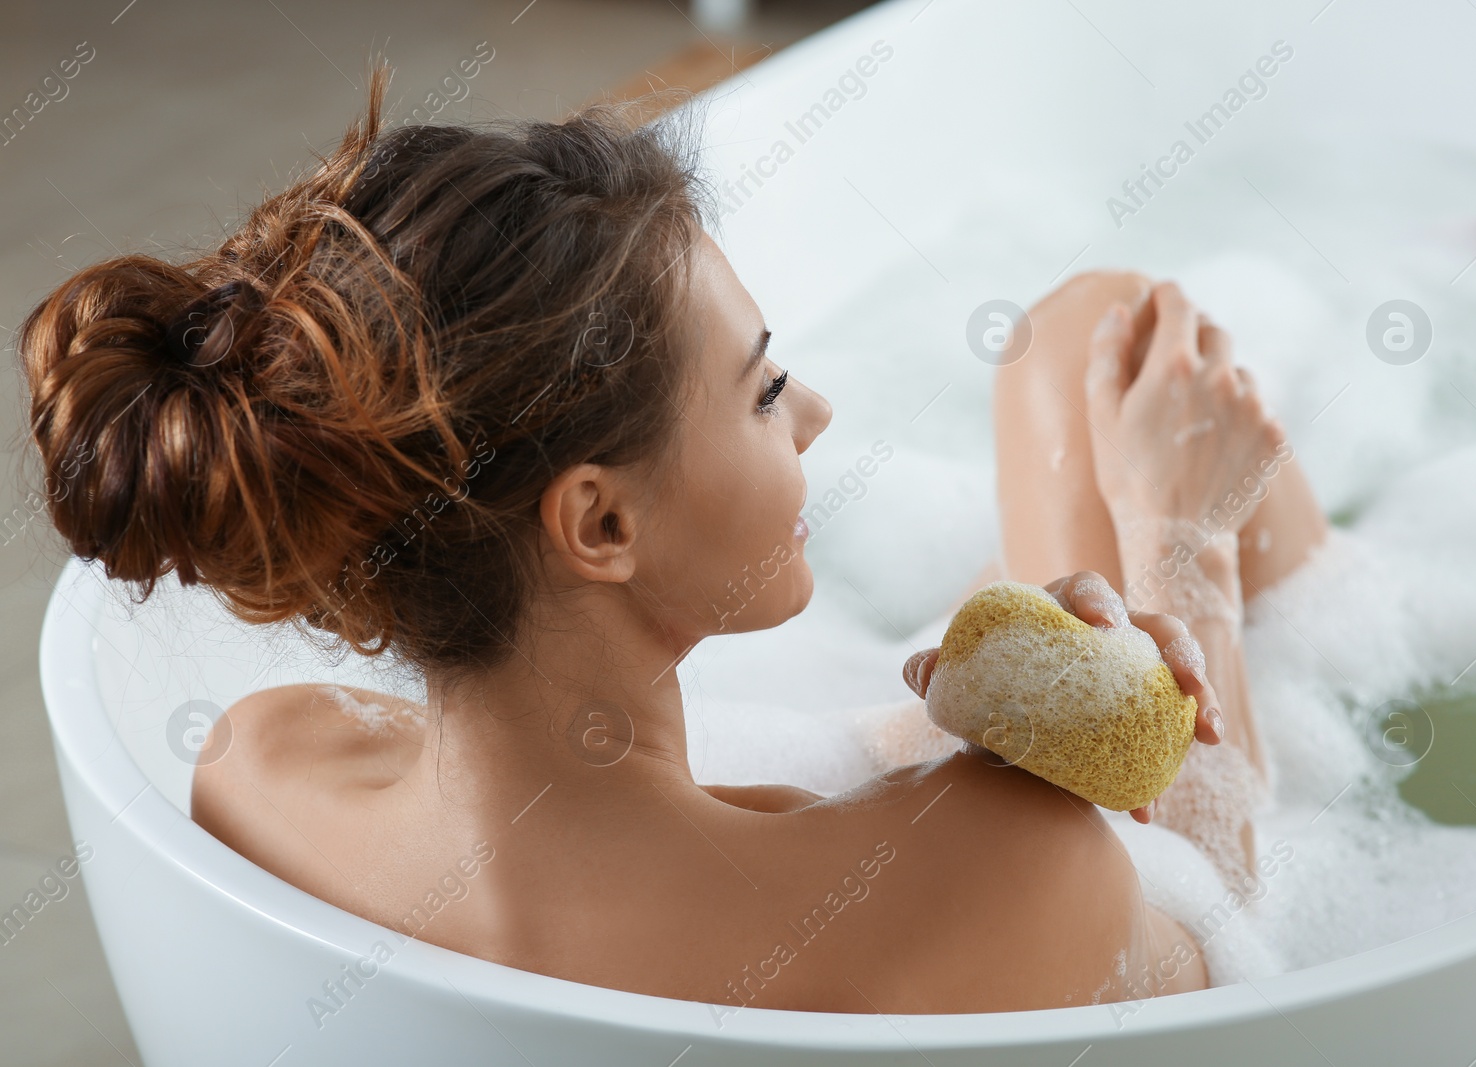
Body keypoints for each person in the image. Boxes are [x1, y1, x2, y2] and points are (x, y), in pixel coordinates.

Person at [15, 65, 1324, 1014]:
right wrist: (1180, 538)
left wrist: (948, 727)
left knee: (1071, 355)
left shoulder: (266, 766)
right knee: (1107, 336)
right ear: (599, 520)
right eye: (761, 388)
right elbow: (1241, 956)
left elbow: (659, 845)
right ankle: (1309, 559)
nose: (815, 411)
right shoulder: (1009, 863)